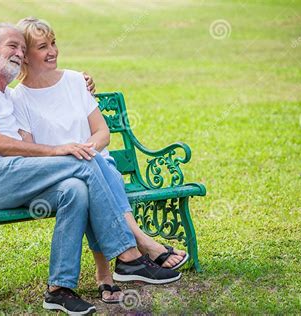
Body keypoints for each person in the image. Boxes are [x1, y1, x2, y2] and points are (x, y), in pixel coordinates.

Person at [0, 22, 181, 315]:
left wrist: (76, 82)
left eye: (21, 47)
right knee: (85, 160)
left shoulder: (3, 92)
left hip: (12, 179)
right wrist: (57, 150)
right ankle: (129, 254)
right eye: (12, 47)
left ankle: (59, 289)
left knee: (75, 190)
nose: (18, 53)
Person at [11, 17, 190, 304]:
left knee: (96, 173)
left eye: (54, 43)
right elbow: (31, 150)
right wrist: (70, 153)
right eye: (42, 46)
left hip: (93, 161)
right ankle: (139, 246)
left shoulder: (74, 81)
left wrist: (87, 148)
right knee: (93, 176)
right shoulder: (18, 98)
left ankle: (110, 272)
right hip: (59, 171)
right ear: (25, 57)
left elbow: (102, 132)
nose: (52, 51)